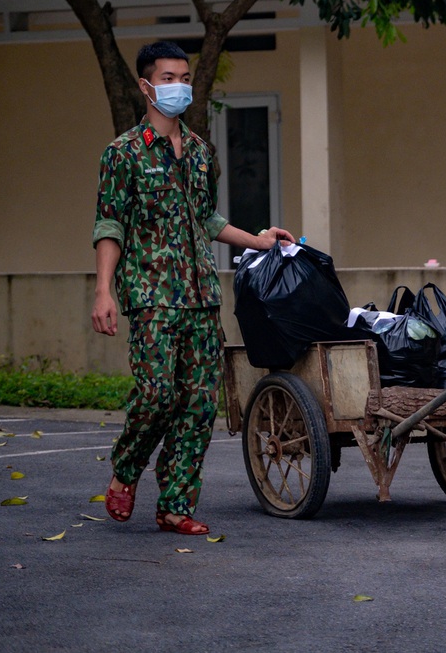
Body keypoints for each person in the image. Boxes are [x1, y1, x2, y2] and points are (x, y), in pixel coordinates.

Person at [92, 41, 294, 536]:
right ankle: (125, 469)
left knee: (200, 403)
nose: (178, 85)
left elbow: (206, 219)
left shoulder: (200, 151)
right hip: (152, 297)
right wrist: (104, 291)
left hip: (201, 297)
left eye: (183, 76)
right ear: (146, 86)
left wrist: (259, 241)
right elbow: (110, 225)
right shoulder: (123, 153)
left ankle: (175, 504)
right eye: (167, 78)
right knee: (158, 395)